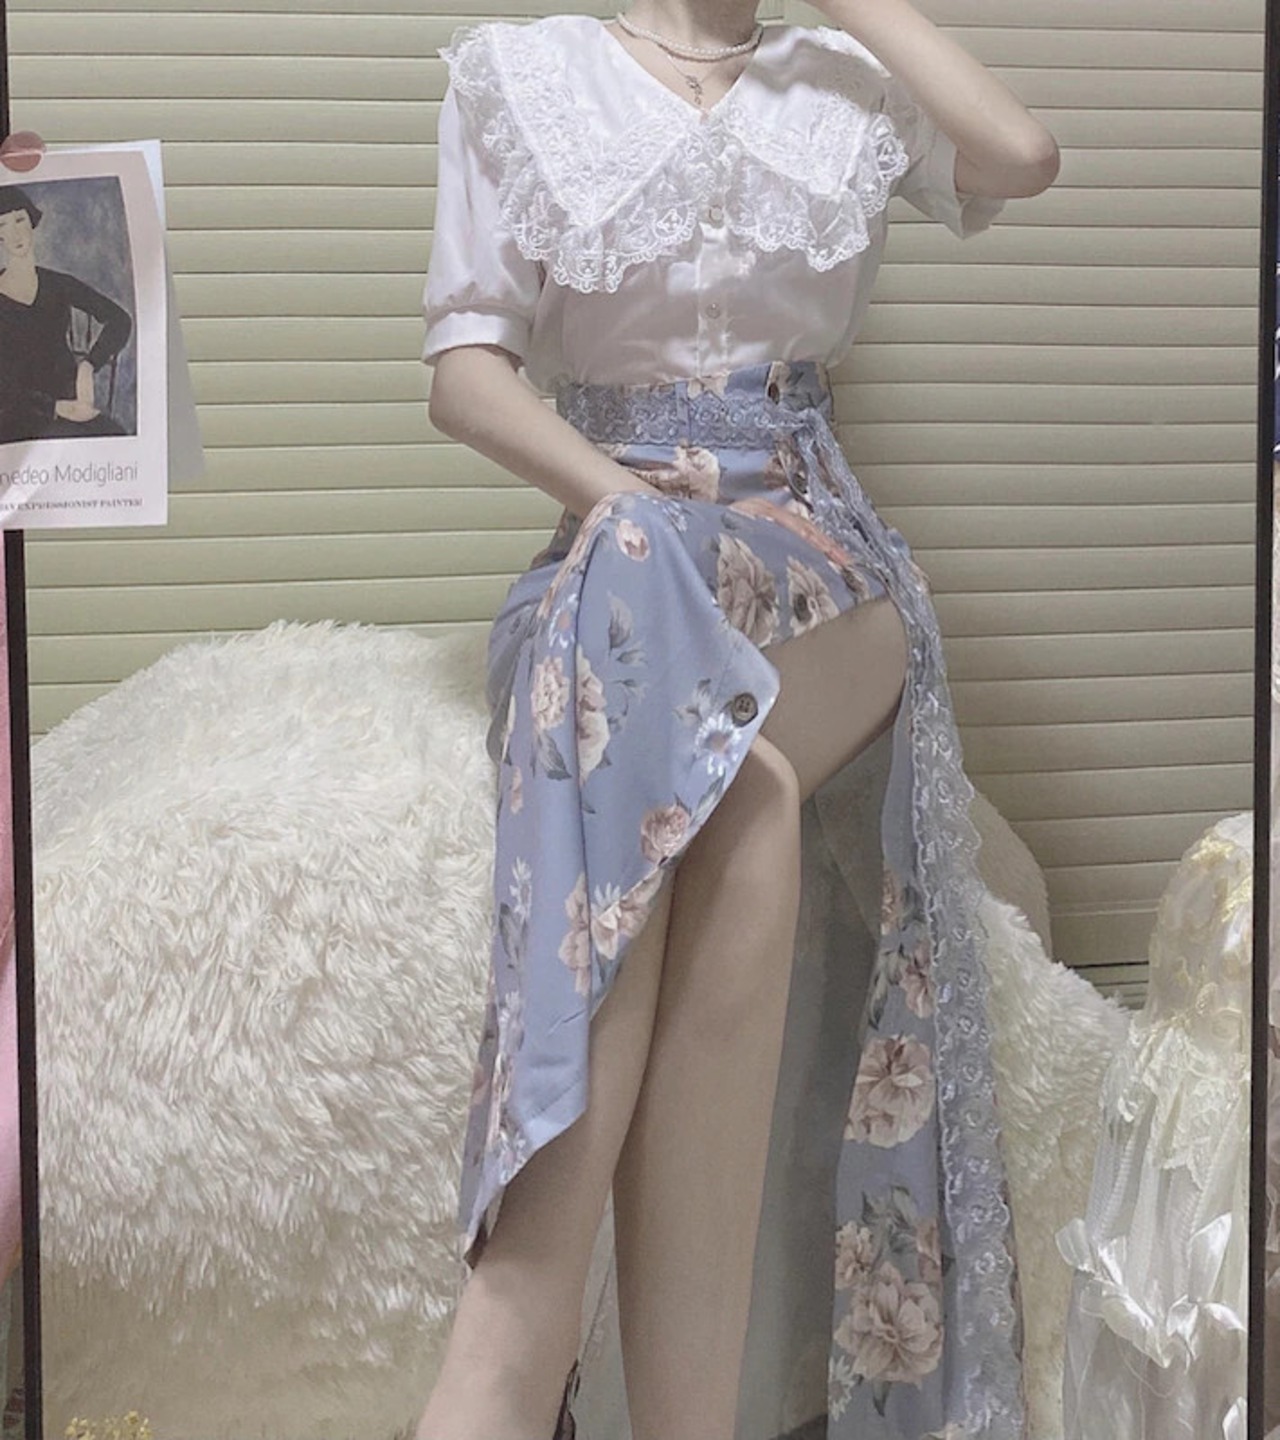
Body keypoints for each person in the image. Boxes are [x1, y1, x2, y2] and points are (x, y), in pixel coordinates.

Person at [416, 2, 1059, 1438]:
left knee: (664, 644)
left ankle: (503, 1364)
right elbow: (465, 378)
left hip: (816, 571)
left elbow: (1019, 154)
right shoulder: (520, 74)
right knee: (743, 795)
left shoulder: (847, 79)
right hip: (612, 558)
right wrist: (629, 505)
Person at [0, 185, 132, 444]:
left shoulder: (58, 284)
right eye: (2, 224)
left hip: (71, 404)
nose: (15, 232)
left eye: (20, 220)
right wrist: (53, 407)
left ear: (32, 222)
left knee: (115, 436)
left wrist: (88, 365)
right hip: (15, 412)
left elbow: (120, 320)